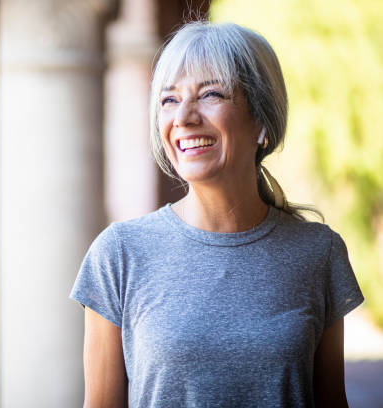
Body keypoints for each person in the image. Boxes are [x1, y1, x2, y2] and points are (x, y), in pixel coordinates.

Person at [69, 21, 364, 407]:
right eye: (169, 99)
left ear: (261, 121)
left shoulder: (318, 253)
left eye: (210, 94)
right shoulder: (119, 254)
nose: (184, 117)